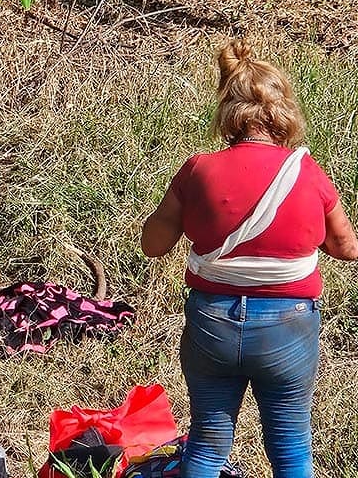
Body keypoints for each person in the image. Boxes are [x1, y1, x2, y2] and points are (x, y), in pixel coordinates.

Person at [140, 39, 358, 478]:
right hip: (288, 325)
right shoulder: (307, 172)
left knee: (205, 446)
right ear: (283, 113)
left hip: (212, 324)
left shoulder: (198, 168)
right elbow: (347, 249)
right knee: (292, 447)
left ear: (228, 112)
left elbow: (153, 244)